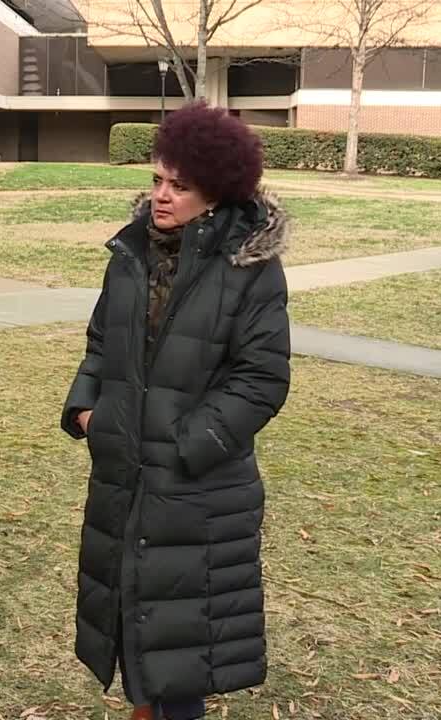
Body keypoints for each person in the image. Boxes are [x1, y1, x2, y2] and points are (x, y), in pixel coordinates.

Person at [60, 102, 291, 720]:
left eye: (180, 186)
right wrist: (88, 410)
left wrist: (187, 444)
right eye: (158, 180)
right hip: (123, 474)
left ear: (216, 192)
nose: (161, 196)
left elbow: (262, 378)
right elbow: (101, 345)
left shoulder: (252, 270)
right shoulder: (130, 255)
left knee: (183, 646)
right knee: (135, 625)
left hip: (199, 488)